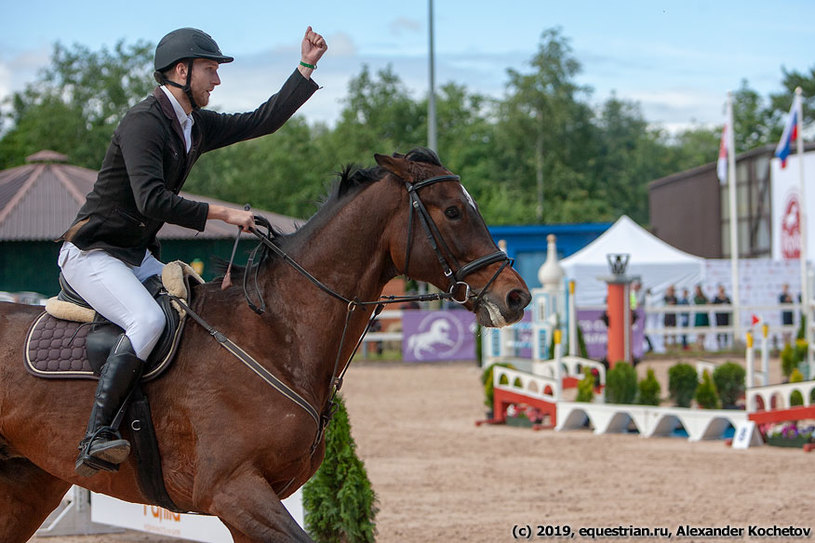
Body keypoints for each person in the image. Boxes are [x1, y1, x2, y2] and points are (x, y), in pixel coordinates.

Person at [58, 26, 327, 477]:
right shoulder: (143, 122)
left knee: (196, 306)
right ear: (181, 71)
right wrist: (224, 214)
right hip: (93, 254)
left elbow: (262, 120)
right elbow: (151, 200)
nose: (216, 81)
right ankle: (97, 433)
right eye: (210, 70)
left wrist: (306, 66)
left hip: (137, 255)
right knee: (148, 320)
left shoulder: (193, 125)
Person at [712, 284, 732, 350]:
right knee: (719, 332)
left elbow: (731, 305)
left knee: (725, 332)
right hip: (719, 317)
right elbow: (713, 305)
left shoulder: (727, 298)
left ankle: (725, 345)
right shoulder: (716, 298)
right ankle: (719, 346)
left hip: (725, 317)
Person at [693, 284, 710, 350]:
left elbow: (708, 303)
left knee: (704, 331)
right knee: (699, 331)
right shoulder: (695, 298)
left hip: (704, 316)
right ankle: (698, 345)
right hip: (699, 316)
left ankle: (702, 344)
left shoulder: (704, 297)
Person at [663, 285, 678, 350]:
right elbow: (668, 303)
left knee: (673, 332)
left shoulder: (675, 297)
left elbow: (673, 303)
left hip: (673, 316)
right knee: (665, 331)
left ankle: (674, 345)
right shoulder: (666, 297)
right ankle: (665, 345)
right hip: (667, 315)